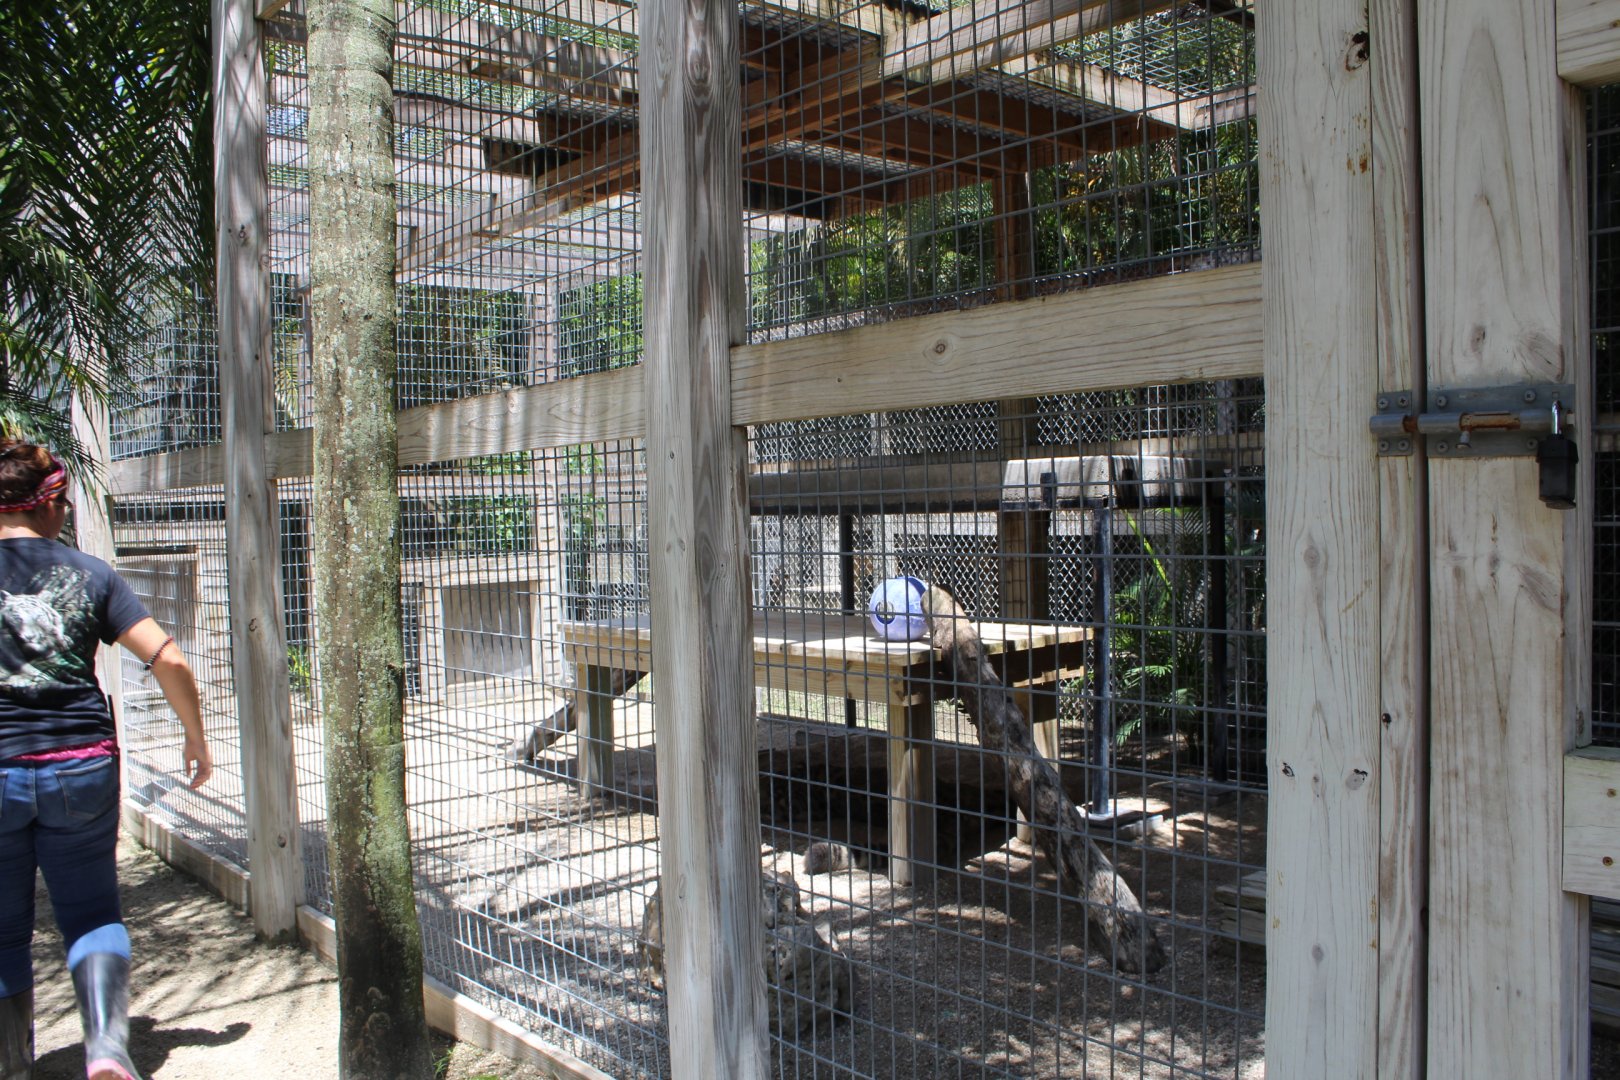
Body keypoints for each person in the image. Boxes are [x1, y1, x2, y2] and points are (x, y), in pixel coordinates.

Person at [0, 441, 211, 1080]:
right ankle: (107, 1052)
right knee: (91, 913)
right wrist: (195, 738)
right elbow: (168, 657)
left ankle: (11, 1063)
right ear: (53, 505)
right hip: (80, 766)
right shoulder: (92, 573)